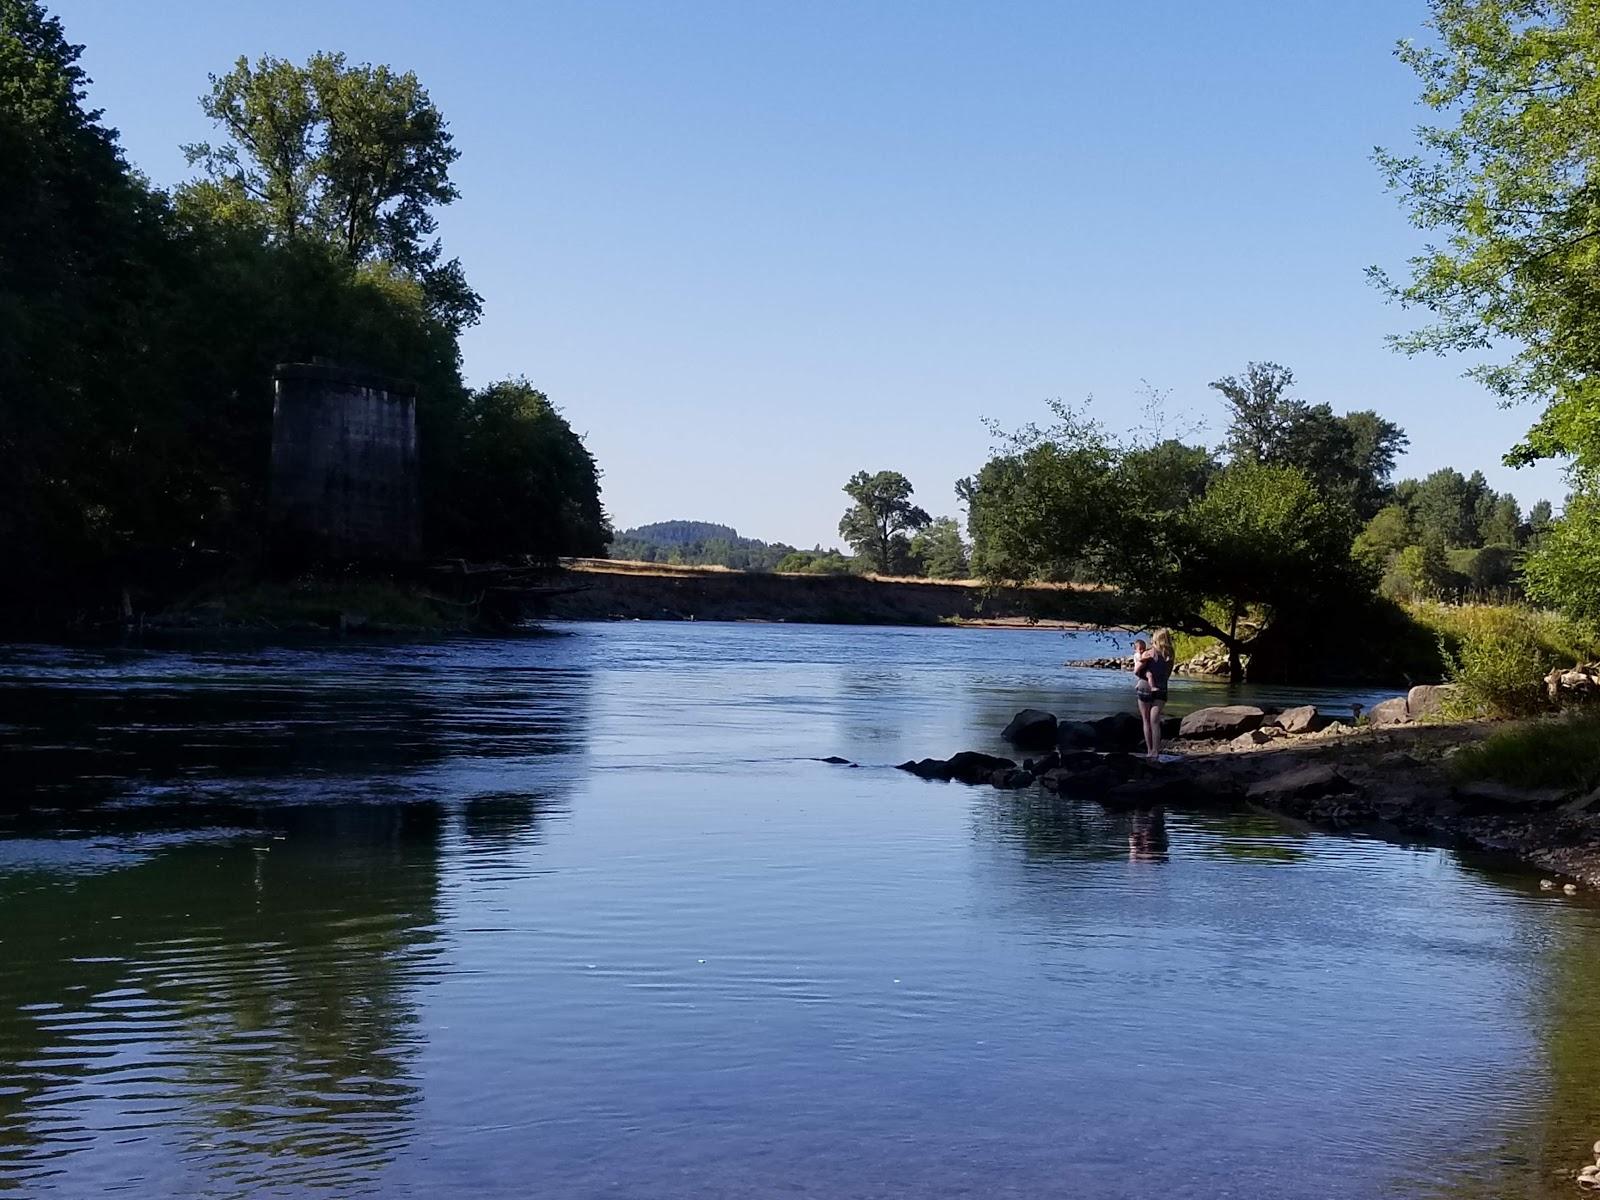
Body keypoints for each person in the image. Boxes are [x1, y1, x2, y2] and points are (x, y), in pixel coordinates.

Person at [1133, 629, 1173, 759]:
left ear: (1155, 639)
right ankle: (1155, 751)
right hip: (1161, 688)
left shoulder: (1148, 652)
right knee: (1154, 720)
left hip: (1144, 687)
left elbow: (1136, 670)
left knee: (1146, 721)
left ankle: (1150, 751)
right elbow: (1167, 674)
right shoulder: (1170, 654)